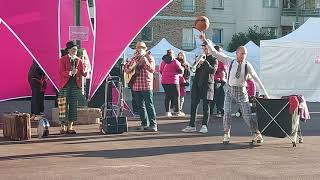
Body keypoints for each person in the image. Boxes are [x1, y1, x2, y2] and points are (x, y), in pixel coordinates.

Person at [202, 36, 270, 144]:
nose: (244, 56)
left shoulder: (247, 65)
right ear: (237, 53)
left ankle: (256, 133)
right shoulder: (230, 61)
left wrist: (264, 93)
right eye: (242, 53)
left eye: (245, 54)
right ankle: (226, 134)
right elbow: (215, 53)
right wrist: (205, 41)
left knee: (247, 116)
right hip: (229, 90)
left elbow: (256, 78)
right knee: (227, 113)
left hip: (242, 91)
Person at [182, 42, 218, 133]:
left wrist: (204, 62)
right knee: (193, 105)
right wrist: (197, 63)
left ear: (210, 49)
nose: (204, 50)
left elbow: (213, 71)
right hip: (197, 84)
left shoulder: (214, 59)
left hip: (207, 85)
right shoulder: (199, 57)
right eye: (203, 48)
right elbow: (194, 68)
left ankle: (204, 125)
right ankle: (191, 125)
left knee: (206, 107)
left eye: (206, 48)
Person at [124, 41, 158, 132]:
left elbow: (152, 69)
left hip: (146, 85)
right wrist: (128, 69)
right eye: (138, 47)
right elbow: (126, 68)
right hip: (136, 85)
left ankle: (153, 124)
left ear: (145, 49)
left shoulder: (149, 57)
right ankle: (144, 123)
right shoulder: (133, 58)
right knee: (140, 106)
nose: (139, 49)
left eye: (141, 48)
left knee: (149, 105)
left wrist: (145, 61)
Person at [58, 41, 87, 134]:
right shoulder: (62, 59)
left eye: (76, 49)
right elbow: (61, 72)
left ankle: (70, 126)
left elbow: (83, 73)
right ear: (68, 50)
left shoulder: (79, 60)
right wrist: (70, 72)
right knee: (63, 106)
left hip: (75, 85)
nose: (75, 51)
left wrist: (86, 69)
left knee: (73, 106)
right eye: (73, 49)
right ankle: (63, 126)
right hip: (65, 85)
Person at [160, 49, 184, 116]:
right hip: (173, 81)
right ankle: (177, 112)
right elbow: (180, 71)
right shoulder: (175, 61)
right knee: (176, 96)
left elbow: (161, 71)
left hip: (164, 81)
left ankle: (167, 112)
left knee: (167, 96)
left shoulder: (163, 62)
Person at [210, 45, 227, 117]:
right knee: (215, 97)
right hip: (216, 80)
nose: (221, 53)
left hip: (221, 80)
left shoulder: (221, 59)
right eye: (220, 51)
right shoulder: (215, 59)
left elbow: (225, 70)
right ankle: (211, 111)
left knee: (220, 96)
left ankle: (219, 111)